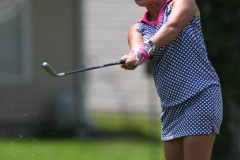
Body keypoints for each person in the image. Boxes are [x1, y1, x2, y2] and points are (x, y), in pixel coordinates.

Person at [120, 0, 223, 159]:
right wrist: (132, 59)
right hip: (170, 107)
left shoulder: (182, 2)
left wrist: (147, 47)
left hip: (200, 95)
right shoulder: (137, 28)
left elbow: (173, 27)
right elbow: (136, 52)